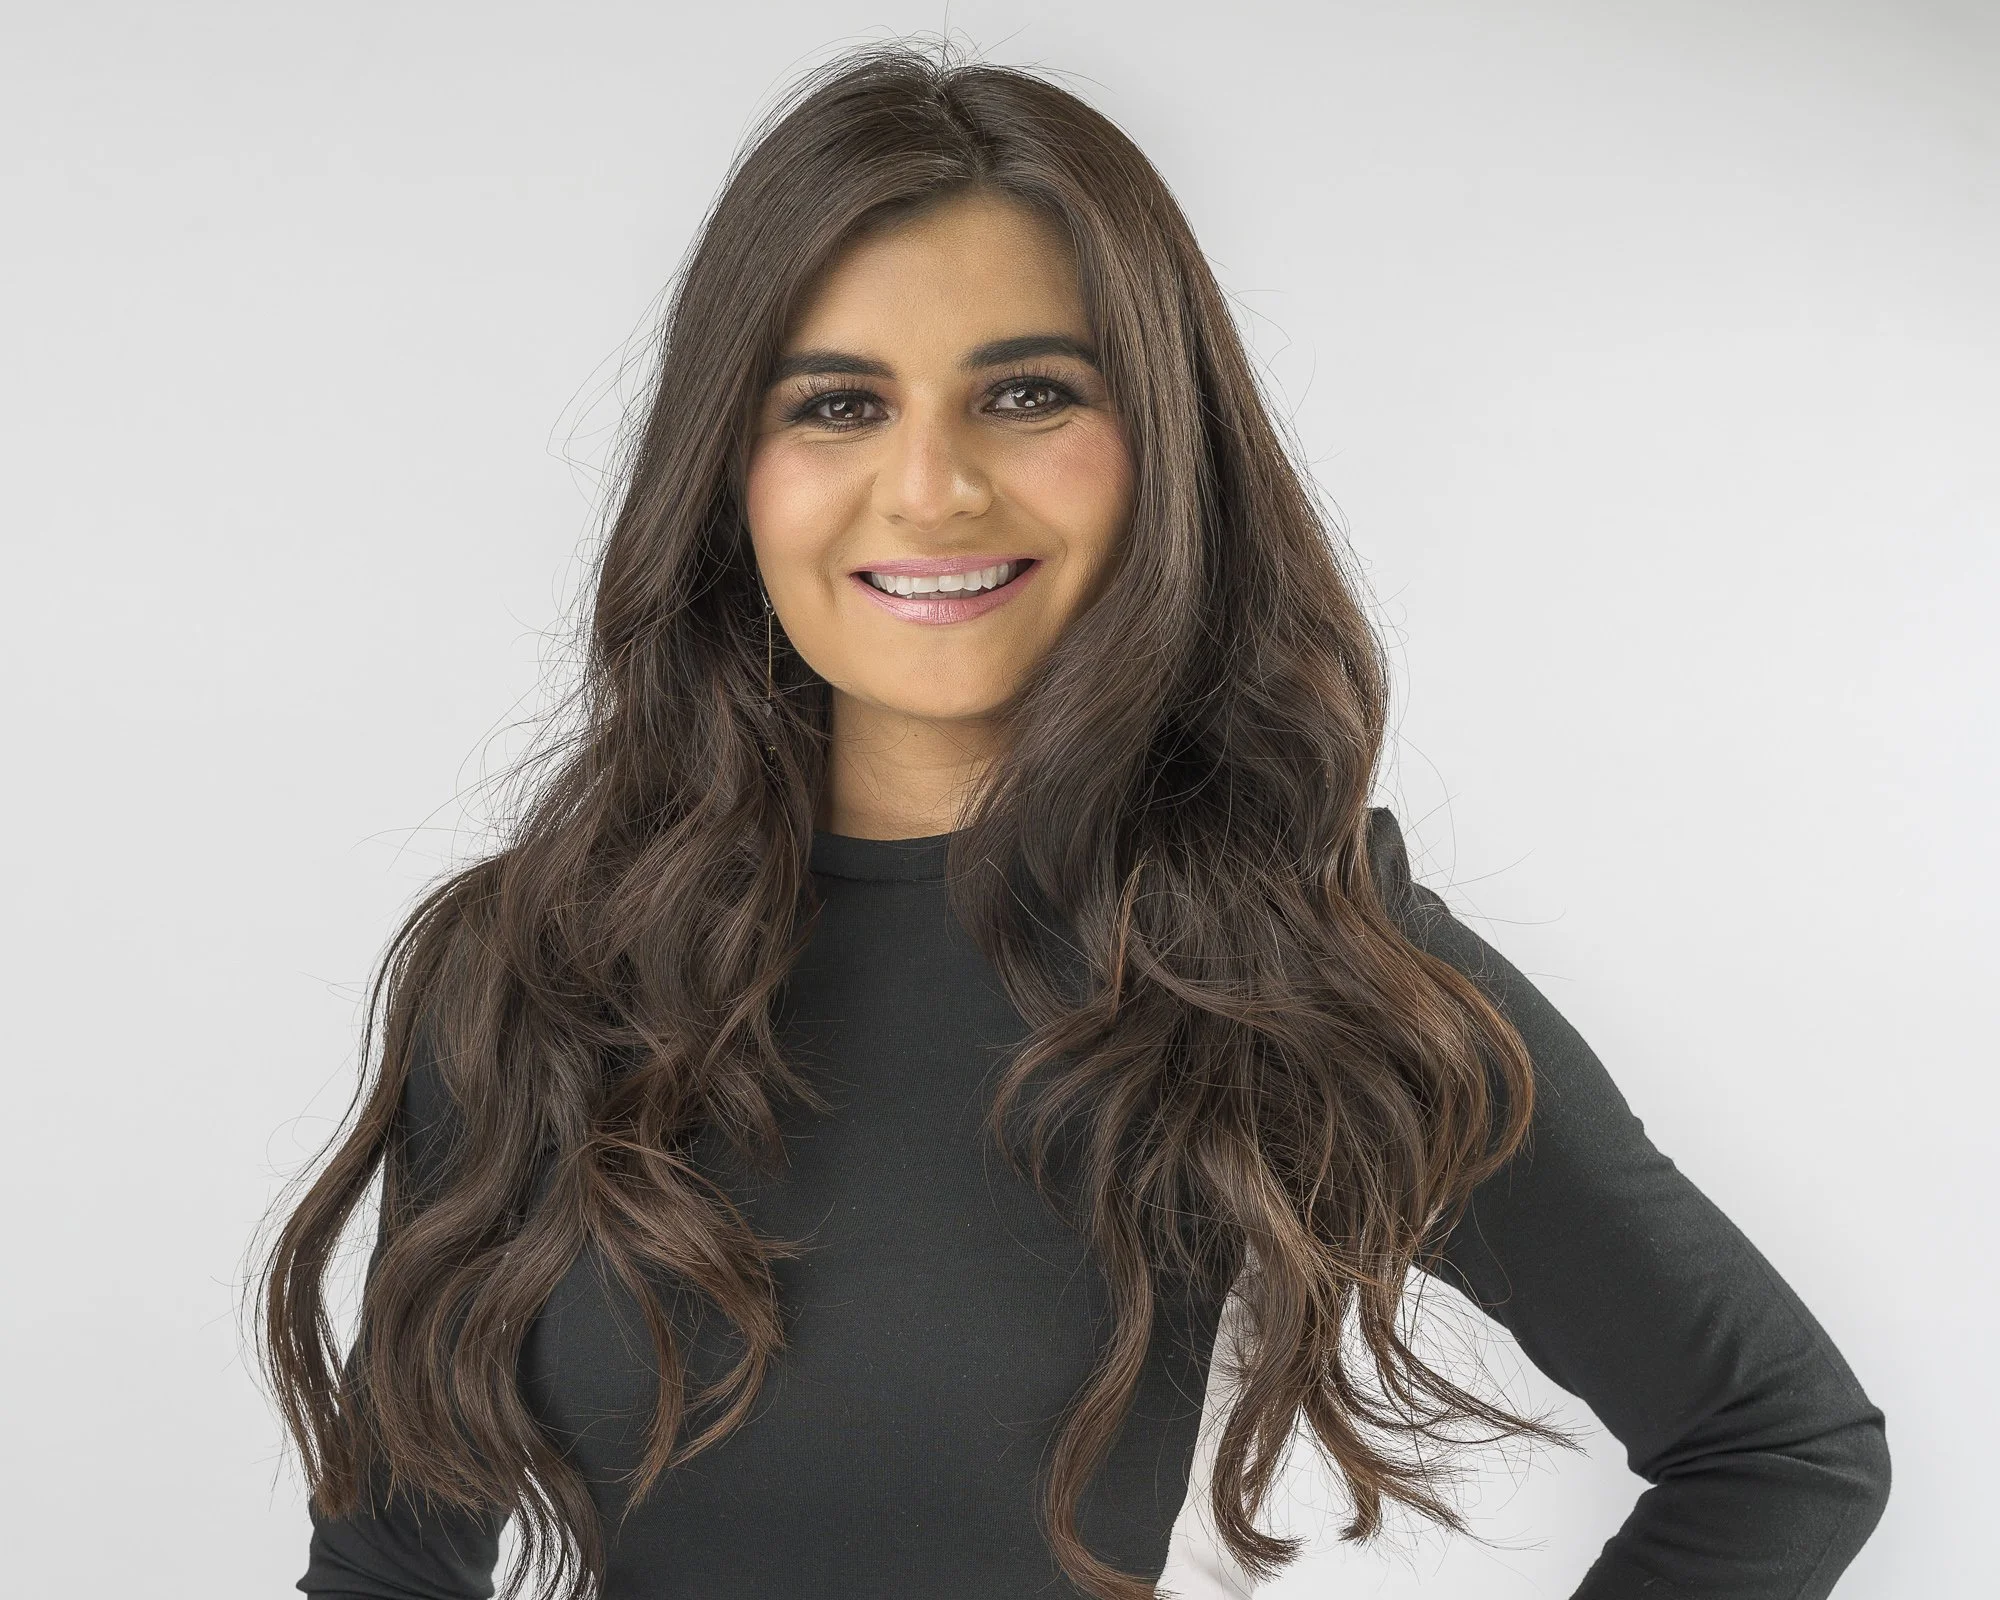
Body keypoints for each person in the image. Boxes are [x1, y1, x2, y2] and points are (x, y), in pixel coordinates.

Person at [260, 44, 1890, 1600]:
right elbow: (400, 1564)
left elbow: (1778, 1444)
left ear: (1159, 452)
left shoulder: (1300, 974)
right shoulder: (539, 971)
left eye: (1026, 394)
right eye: (835, 404)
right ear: (728, 470)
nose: (931, 487)